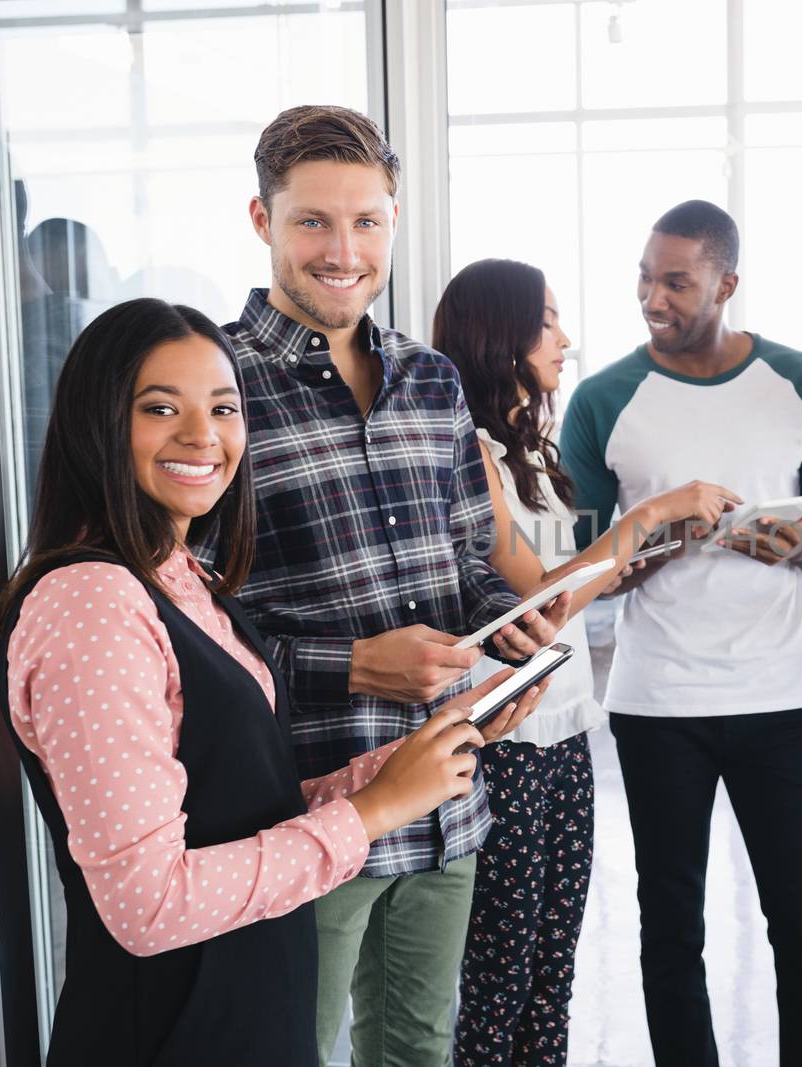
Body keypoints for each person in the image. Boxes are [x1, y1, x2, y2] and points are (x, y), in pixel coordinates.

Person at [0, 298, 547, 1066]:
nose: (202, 436)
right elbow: (150, 903)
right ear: (98, 423)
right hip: (172, 1033)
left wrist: (396, 770)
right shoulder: (90, 603)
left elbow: (234, 807)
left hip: (246, 1013)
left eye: (224, 408)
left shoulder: (185, 577)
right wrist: (374, 810)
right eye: (160, 408)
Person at [223, 106, 568, 1067]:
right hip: (303, 812)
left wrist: (509, 652)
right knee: (296, 1049)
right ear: (262, 219)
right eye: (313, 222)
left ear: (395, 219)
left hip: (447, 798)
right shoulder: (216, 387)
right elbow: (189, 630)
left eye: (367, 221)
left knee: (419, 1046)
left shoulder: (431, 379)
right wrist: (351, 667)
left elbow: (465, 567)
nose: (345, 250)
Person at [559, 200, 802, 1067]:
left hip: (781, 696)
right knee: (669, 928)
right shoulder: (604, 398)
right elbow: (578, 565)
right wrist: (653, 547)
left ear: (727, 283)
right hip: (657, 703)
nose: (653, 296)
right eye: (646, 277)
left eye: (676, 281)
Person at [432, 257, 740, 1065]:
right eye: (548, 322)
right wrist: (653, 512)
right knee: (500, 972)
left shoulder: (526, 450)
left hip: (563, 731)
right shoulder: (471, 454)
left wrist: (650, 547)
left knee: (551, 964)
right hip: (506, 742)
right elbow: (539, 600)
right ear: (501, 337)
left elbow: (575, 582)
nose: (565, 339)